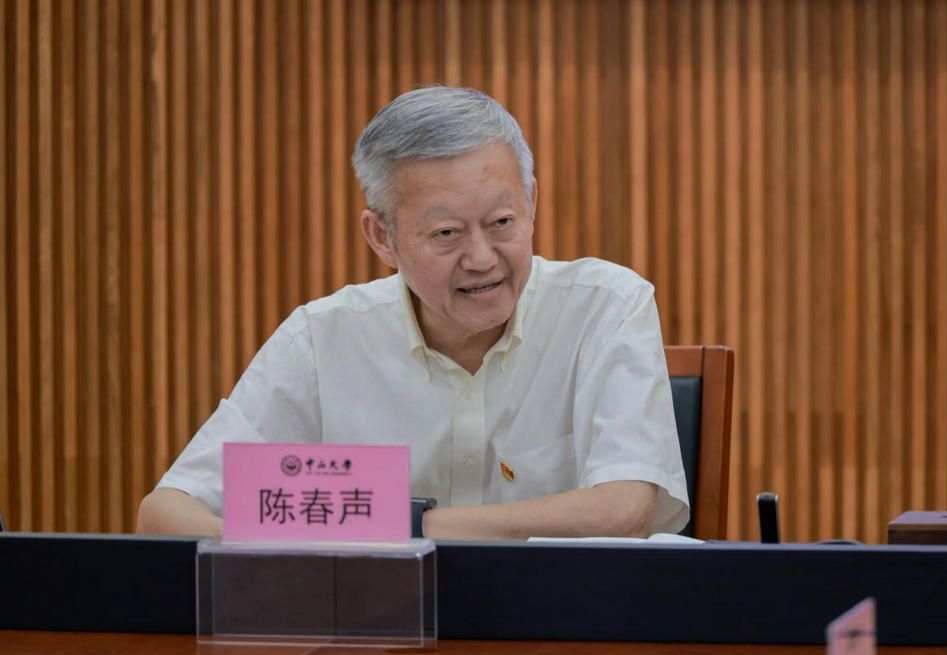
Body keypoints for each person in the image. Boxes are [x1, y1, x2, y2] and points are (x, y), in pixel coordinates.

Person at [137, 86, 689, 540]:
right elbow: (165, 513)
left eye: (502, 223)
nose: (481, 258)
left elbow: (624, 511)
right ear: (382, 237)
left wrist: (401, 527)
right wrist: (281, 543)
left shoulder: (605, 308)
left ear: (532, 203)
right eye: (446, 233)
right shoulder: (323, 339)